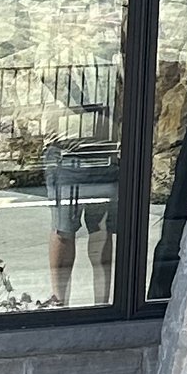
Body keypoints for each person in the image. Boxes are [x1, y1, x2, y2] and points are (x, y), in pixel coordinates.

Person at [43, 38, 120, 306]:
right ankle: (60, 302)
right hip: (67, 155)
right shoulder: (59, 55)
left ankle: (104, 304)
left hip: (107, 155)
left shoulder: (117, 58)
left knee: (102, 232)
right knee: (64, 231)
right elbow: (58, 86)